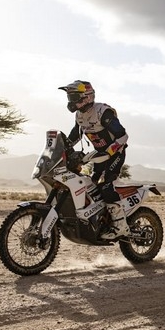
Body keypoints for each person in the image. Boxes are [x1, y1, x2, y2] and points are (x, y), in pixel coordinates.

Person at [58, 80, 129, 239]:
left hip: (115, 154)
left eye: (74, 97)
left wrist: (109, 152)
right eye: (69, 97)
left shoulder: (102, 112)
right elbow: (75, 135)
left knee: (106, 186)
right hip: (99, 156)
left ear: (87, 96)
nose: (71, 101)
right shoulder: (79, 115)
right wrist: (62, 149)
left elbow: (123, 136)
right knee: (92, 185)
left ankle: (121, 226)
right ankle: (102, 219)